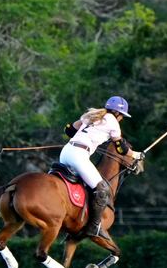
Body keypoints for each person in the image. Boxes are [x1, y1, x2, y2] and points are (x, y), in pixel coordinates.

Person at [60, 96, 143, 240]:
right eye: (122, 115)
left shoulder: (91, 115)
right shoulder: (113, 122)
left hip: (66, 152)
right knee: (102, 190)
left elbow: (69, 130)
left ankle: (74, 218)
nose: (121, 119)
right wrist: (136, 154)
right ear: (117, 113)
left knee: (79, 186)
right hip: (79, 156)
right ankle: (94, 227)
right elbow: (121, 148)